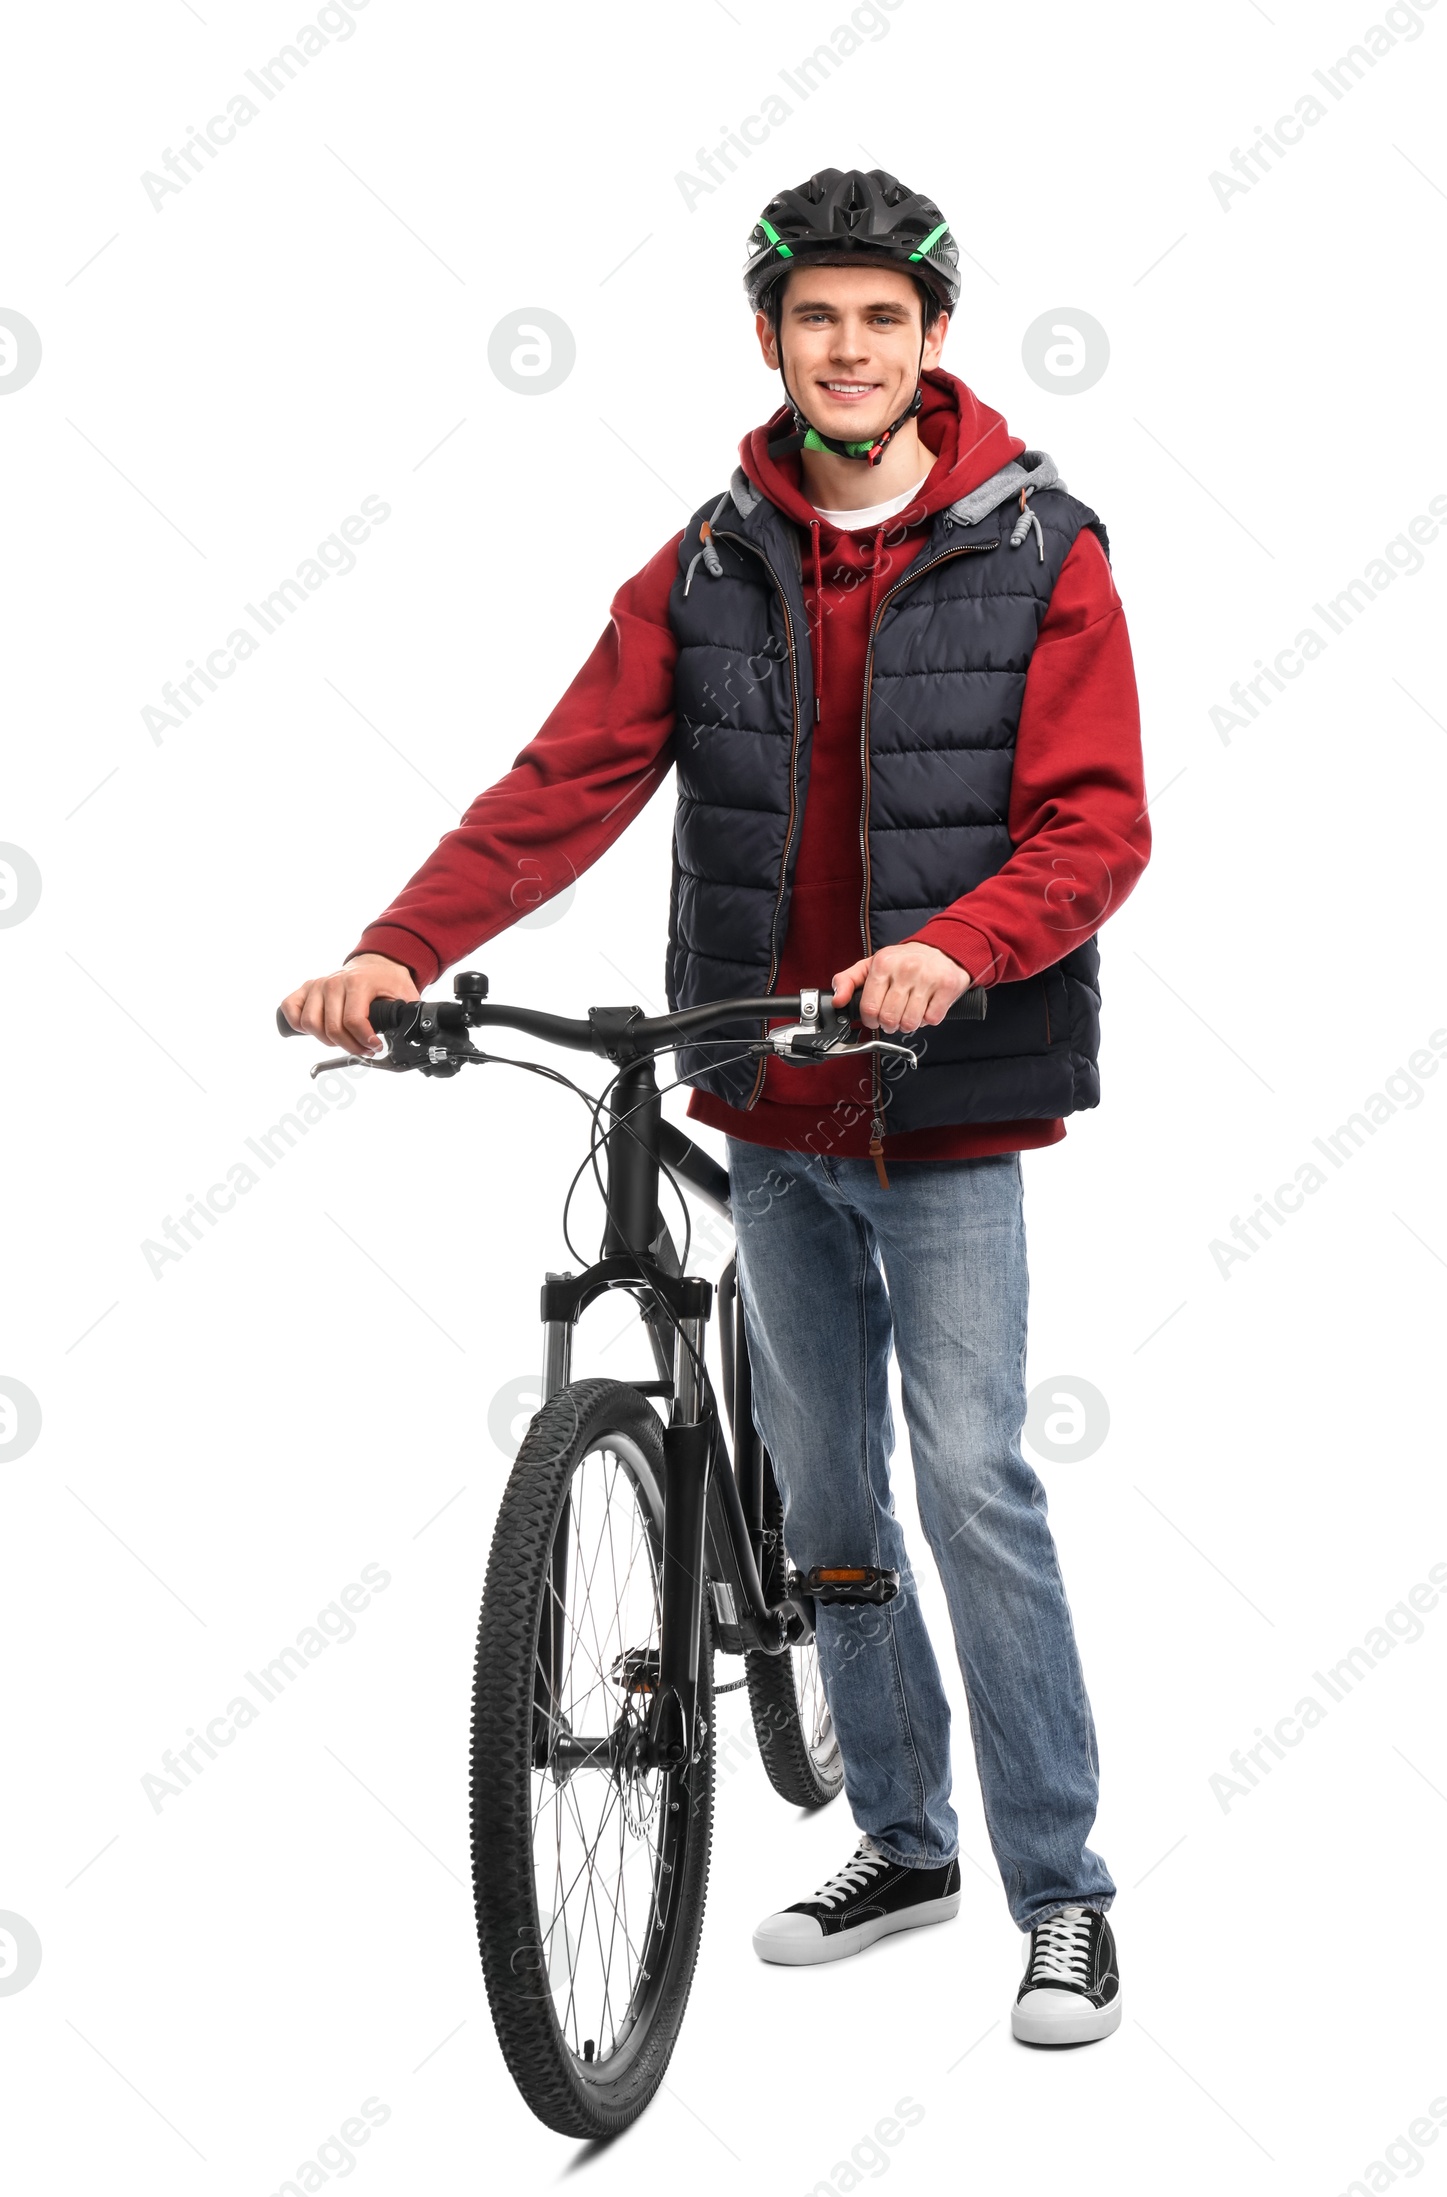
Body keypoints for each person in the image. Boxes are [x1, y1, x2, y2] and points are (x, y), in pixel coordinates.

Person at [283, 168, 1150, 2048]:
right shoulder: (708, 557)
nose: (849, 349)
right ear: (771, 338)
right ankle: (904, 1842)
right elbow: (565, 777)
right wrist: (396, 947)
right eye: (815, 317)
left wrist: (956, 950)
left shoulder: (1041, 548)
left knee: (973, 1482)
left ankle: (1063, 1893)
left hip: (945, 1101)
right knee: (833, 1500)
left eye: (883, 318)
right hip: (764, 1089)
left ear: (934, 340)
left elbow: (1098, 824)